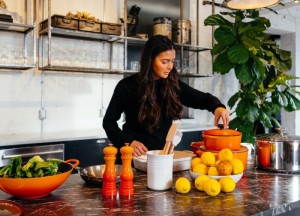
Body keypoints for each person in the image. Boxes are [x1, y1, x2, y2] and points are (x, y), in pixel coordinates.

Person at [103, 35, 230, 158]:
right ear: (150, 59)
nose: (170, 66)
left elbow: (203, 99)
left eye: (172, 61)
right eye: (164, 62)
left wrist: (217, 107)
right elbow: (109, 122)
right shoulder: (126, 86)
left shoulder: (172, 85)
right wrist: (128, 142)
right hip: (132, 159)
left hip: (162, 159)